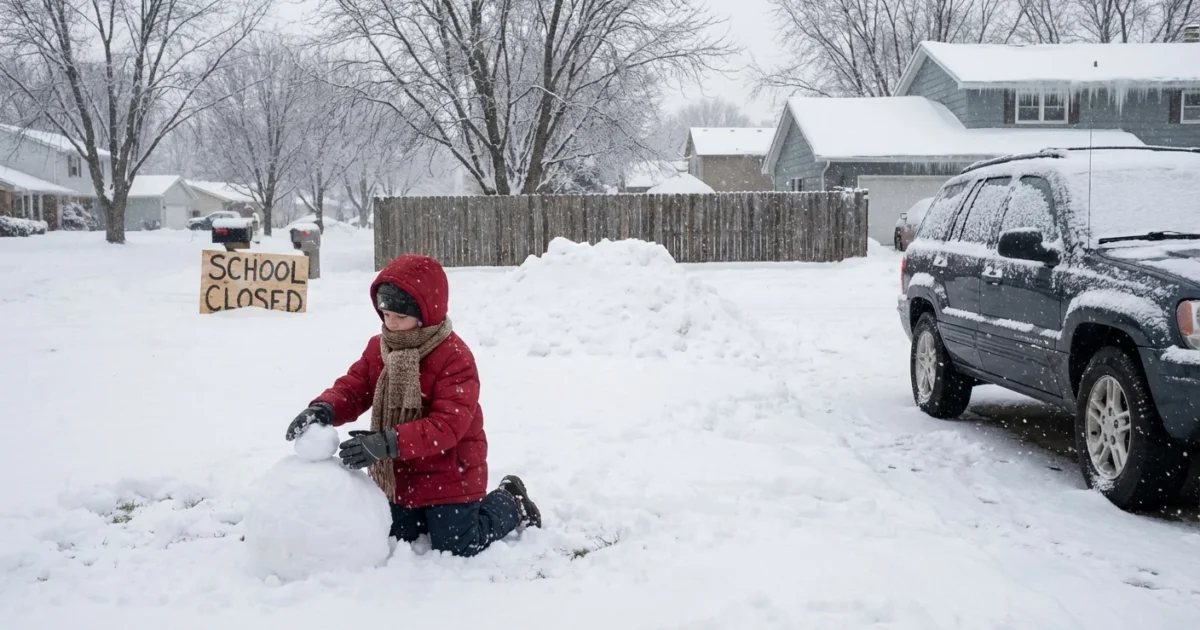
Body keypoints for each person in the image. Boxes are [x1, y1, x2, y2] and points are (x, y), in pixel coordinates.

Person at [285, 253, 541, 557]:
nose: (391, 324)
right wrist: (325, 408)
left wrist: (386, 443)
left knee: (457, 545)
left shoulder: (454, 357)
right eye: (385, 314)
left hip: (452, 471)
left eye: (400, 317)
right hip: (402, 474)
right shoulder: (380, 347)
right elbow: (355, 386)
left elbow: (448, 426)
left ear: (425, 312)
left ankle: (511, 500)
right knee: (398, 535)